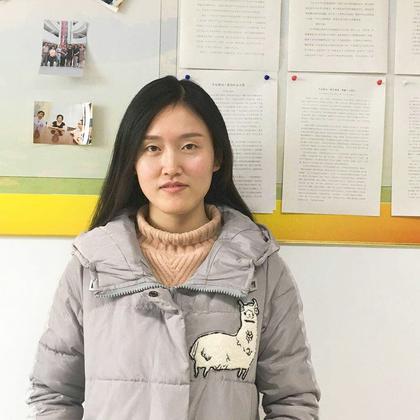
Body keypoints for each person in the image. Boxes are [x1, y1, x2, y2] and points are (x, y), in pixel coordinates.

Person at [26, 76, 320, 419]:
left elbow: (292, 401)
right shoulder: (92, 266)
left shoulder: (260, 268)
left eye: (189, 146)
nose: (171, 167)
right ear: (133, 161)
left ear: (217, 157)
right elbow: (54, 394)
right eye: (152, 148)